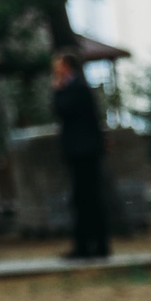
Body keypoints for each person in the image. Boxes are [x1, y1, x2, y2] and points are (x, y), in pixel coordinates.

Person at [53, 52, 113, 261]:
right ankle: (92, 245)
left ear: (67, 67)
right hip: (84, 150)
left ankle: (90, 246)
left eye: (58, 65)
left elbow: (62, 110)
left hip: (82, 151)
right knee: (86, 198)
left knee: (86, 198)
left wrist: (57, 92)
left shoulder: (74, 88)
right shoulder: (81, 86)